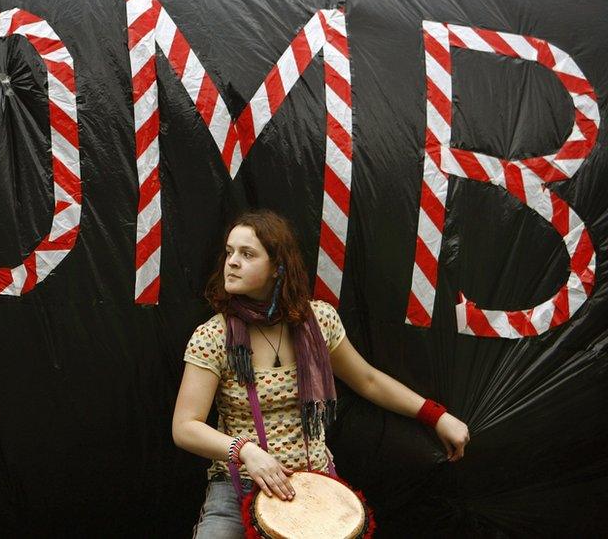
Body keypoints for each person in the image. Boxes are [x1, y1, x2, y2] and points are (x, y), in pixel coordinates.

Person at [172, 210, 470, 538]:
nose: (232, 262)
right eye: (229, 252)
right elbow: (186, 426)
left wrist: (436, 416)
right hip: (239, 485)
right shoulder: (213, 336)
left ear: (277, 268)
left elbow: (367, 380)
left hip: (314, 487)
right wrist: (246, 451)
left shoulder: (318, 321)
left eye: (247, 254)